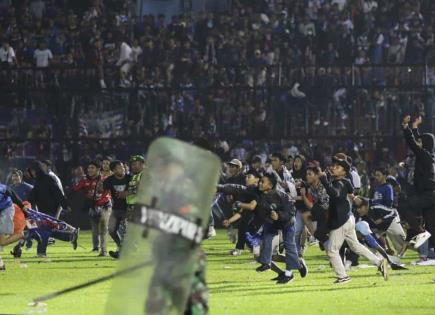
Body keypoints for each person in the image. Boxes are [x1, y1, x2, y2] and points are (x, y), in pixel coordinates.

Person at [319, 155, 388, 284]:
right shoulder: (342, 182)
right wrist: (326, 179)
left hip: (341, 221)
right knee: (355, 246)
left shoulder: (339, 183)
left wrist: (324, 180)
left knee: (332, 250)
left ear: (344, 171)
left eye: (337, 167)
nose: (334, 167)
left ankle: (343, 276)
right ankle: (379, 262)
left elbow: (335, 193)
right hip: (348, 219)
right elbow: (344, 192)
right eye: (333, 166)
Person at [254, 173, 307, 284]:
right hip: (272, 223)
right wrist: (271, 219)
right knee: (266, 239)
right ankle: (266, 264)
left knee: (289, 246)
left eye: (263, 181)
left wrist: (279, 216)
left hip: (288, 223)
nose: (260, 183)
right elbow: (262, 214)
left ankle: (289, 274)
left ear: (270, 184)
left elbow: (291, 211)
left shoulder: (282, 195)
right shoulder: (261, 196)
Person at [398, 115, 434, 249]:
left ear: (425, 144)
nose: (418, 143)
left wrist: (406, 128)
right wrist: (414, 127)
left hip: (427, 194)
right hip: (430, 194)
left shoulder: (424, 155)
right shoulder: (428, 156)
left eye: (421, 142)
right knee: (431, 224)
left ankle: (420, 231)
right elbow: (419, 142)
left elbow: (413, 144)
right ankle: (431, 255)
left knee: (403, 205)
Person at [218, 170, 261, 256]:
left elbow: (251, 206)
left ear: (256, 179)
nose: (246, 178)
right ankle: (240, 249)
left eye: (249, 177)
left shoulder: (257, 191)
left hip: (259, 220)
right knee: (243, 227)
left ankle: (258, 250)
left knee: (247, 231)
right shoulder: (248, 191)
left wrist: (239, 204)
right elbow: (241, 212)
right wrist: (229, 221)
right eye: (246, 176)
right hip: (250, 220)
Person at [74, 160, 112, 256]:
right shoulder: (85, 179)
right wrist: (81, 180)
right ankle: (96, 247)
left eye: (92, 168)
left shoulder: (104, 179)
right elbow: (76, 189)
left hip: (105, 205)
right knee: (95, 228)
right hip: (92, 206)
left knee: (103, 227)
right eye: (89, 168)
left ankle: (103, 251)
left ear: (98, 169)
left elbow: (109, 192)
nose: (89, 170)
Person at [103, 160, 130, 259]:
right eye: (119, 167)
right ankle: (121, 247)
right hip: (116, 209)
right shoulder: (110, 180)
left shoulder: (130, 178)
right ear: (114, 170)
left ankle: (122, 251)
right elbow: (101, 189)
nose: (122, 169)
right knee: (111, 230)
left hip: (128, 208)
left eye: (123, 166)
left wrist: (128, 192)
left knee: (125, 230)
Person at [0, 181, 28, 270]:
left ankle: (21, 235)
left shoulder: (2, 188)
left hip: (6, 210)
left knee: (2, 242)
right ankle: (1, 265)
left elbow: (12, 194)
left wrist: (23, 207)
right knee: (1, 242)